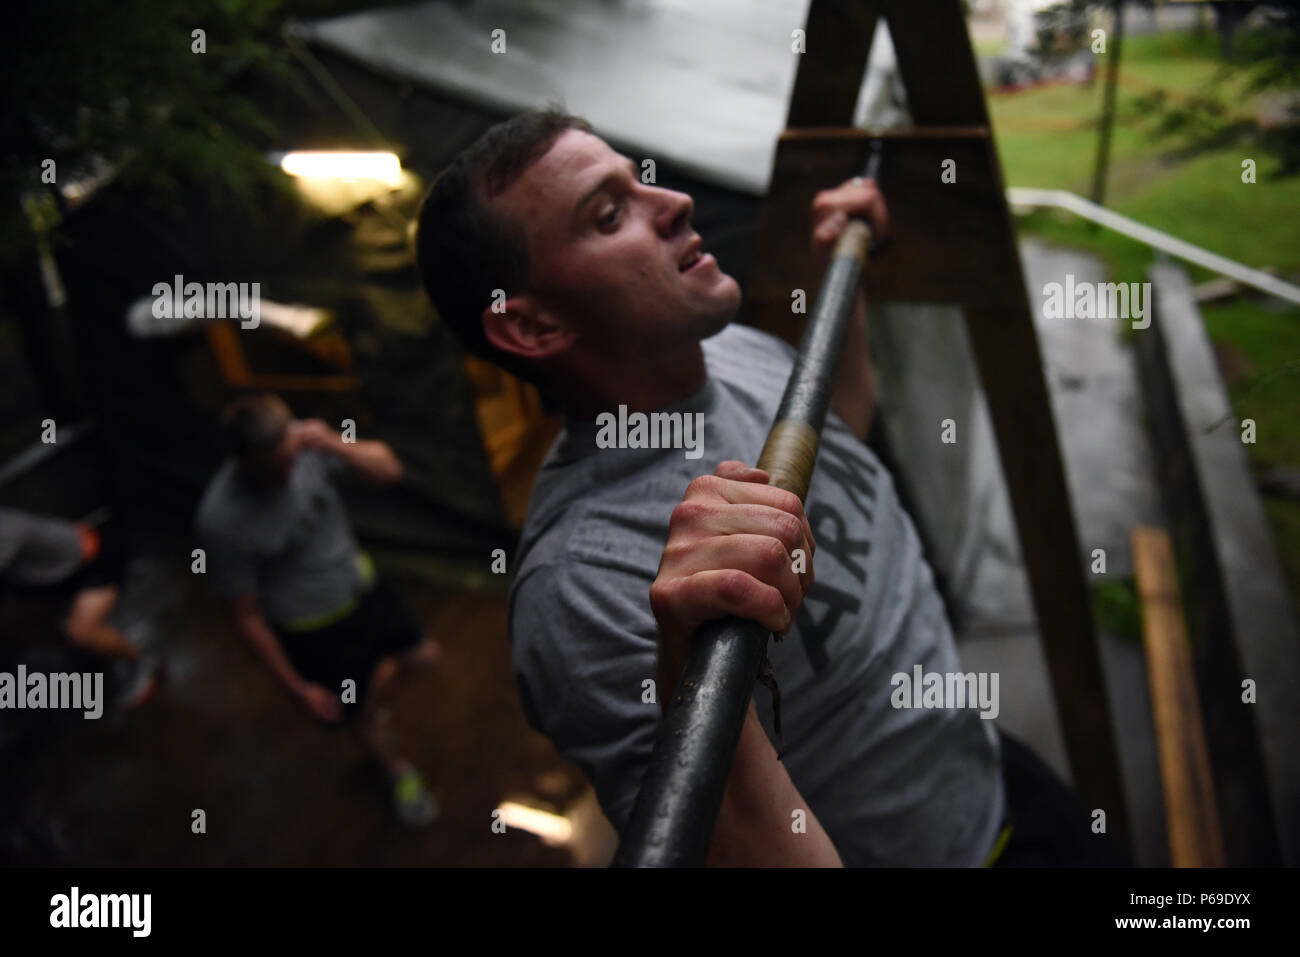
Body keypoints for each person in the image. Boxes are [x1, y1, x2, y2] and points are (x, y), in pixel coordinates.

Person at [415, 109, 1118, 866]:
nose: (673, 201)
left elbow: (835, 430)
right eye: (610, 213)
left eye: (637, 180)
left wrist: (838, 284)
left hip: (990, 771)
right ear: (532, 326)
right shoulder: (580, 591)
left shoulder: (731, 348)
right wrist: (685, 664)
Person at [195, 394, 441, 827]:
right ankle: (396, 770)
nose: (288, 474)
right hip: (314, 628)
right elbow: (245, 617)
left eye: (289, 458)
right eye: (273, 469)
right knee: (358, 714)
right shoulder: (221, 520)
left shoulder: (311, 448)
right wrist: (298, 689)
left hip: (363, 589)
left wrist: (336, 444)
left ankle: (368, 709)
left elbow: (391, 470)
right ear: (243, 461)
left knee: (423, 658)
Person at [0, 506, 161, 711]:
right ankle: (86, 652)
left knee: (82, 632)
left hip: (94, 565)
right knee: (20, 622)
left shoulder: (6, 531)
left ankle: (141, 663)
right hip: (48, 578)